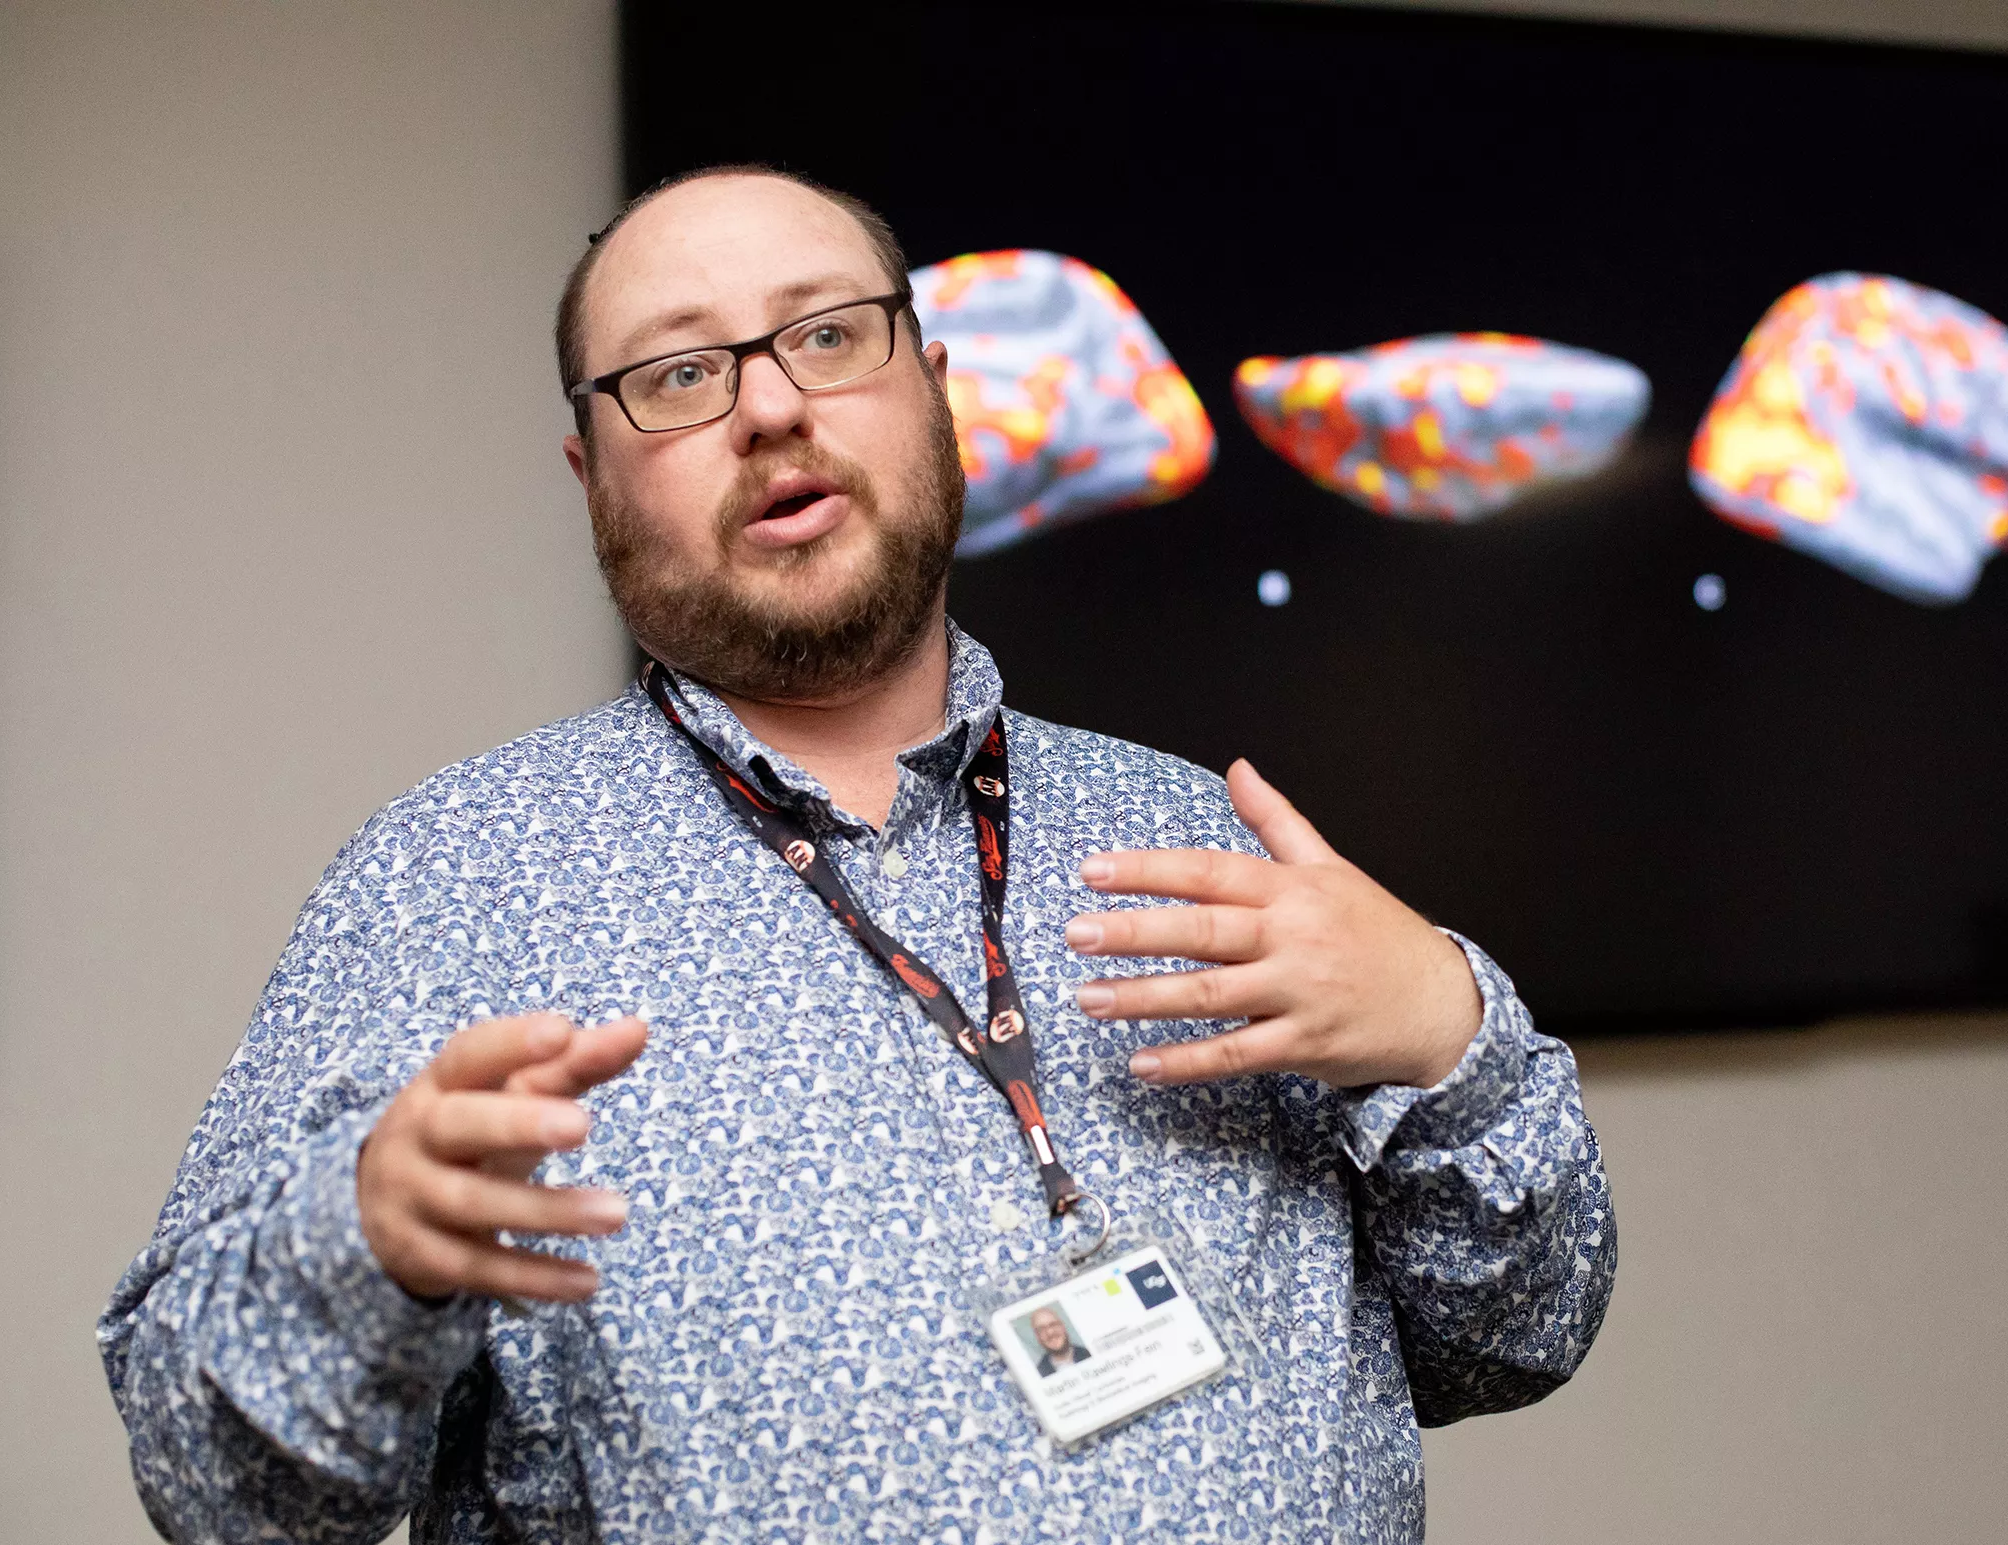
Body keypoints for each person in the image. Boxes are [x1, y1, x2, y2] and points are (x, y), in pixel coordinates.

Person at [99, 165, 1614, 1544]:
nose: (767, 407)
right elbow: (212, 1484)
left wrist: (1448, 1034)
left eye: (827, 335)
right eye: (680, 374)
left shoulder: (1205, 841)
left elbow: (1516, 1334)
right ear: (591, 479)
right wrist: (364, 1255)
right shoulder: (452, 883)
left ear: (936, 393)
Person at [1028, 1305, 1090, 1378]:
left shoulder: (1088, 1353)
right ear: (1037, 1337)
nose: (1050, 1332)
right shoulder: (1038, 1374)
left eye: (1053, 1324)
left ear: (1063, 1327)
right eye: (1041, 1329)